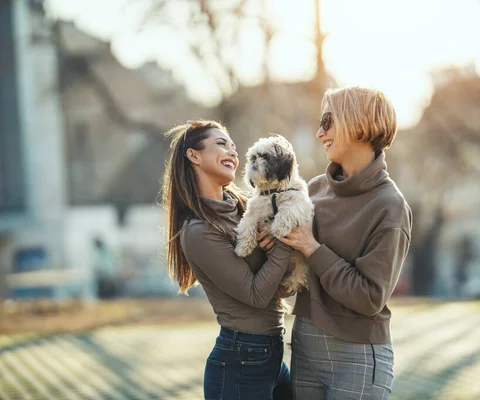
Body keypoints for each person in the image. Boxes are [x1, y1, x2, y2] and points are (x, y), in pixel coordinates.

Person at [280, 87, 413, 399]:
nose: (319, 132)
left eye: (328, 121)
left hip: (359, 357)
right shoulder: (312, 190)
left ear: (359, 125)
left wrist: (312, 248)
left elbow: (369, 297)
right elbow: (290, 277)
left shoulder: (390, 206)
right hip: (305, 345)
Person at [161, 120, 294, 400]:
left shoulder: (247, 208)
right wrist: (284, 243)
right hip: (241, 362)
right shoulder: (198, 231)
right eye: (221, 144)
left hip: (271, 354)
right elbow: (257, 295)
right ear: (194, 155)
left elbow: (278, 286)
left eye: (233, 147)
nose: (233, 152)